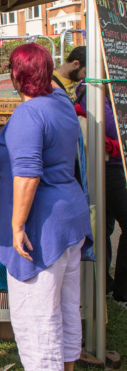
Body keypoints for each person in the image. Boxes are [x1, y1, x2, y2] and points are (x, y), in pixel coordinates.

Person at [0, 44, 92, 371]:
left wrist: (16, 226)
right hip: (69, 217)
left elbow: (27, 174)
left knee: (39, 307)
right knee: (65, 300)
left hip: (42, 225)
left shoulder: (30, 112)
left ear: (14, 76)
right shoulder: (60, 102)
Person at [75, 82, 126, 303]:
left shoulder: (109, 92)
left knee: (105, 226)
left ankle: (103, 284)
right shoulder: (92, 89)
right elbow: (114, 128)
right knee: (102, 224)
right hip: (104, 167)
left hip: (112, 165)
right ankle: (120, 290)